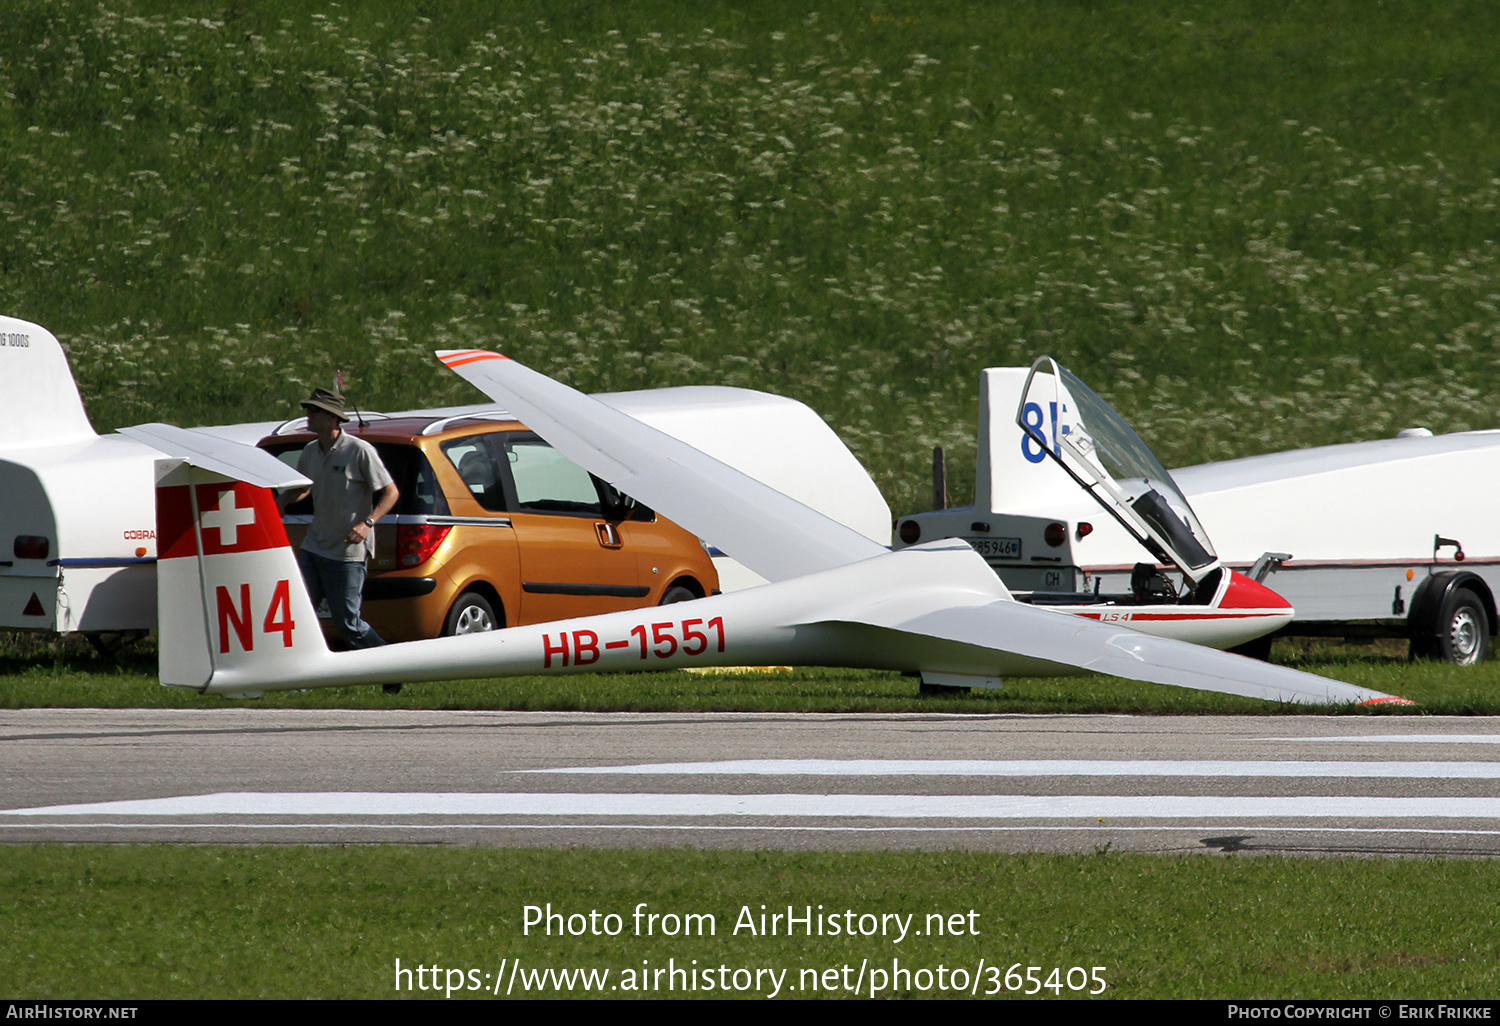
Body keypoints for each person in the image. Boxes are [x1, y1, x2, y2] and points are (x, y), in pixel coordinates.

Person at [280, 387, 399, 649]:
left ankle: (391, 666)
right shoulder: (310, 451)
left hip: (347, 553)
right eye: (307, 410)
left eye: (314, 410)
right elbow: (303, 488)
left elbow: (391, 492)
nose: (308, 415)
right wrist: (282, 501)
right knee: (299, 614)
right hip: (313, 546)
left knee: (348, 623)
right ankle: (302, 682)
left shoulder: (359, 450)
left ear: (333, 418)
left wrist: (367, 524)